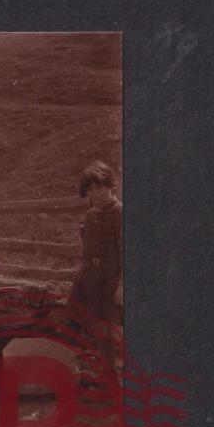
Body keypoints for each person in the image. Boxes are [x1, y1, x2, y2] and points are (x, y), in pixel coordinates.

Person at [72, 161, 123, 377]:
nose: (96, 193)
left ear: (110, 184)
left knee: (110, 329)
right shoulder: (91, 215)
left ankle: (112, 382)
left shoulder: (120, 213)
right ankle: (101, 377)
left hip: (111, 278)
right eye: (90, 190)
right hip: (90, 278)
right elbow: (84, 251)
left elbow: (126, 253)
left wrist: (121, 286)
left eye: (99, 187)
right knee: (92, 326)